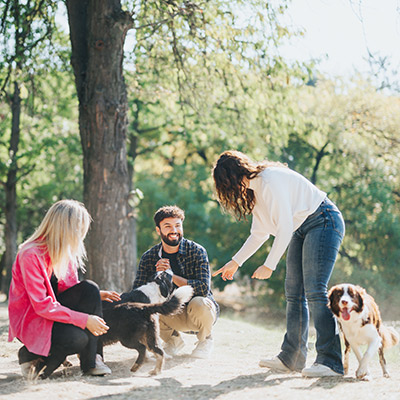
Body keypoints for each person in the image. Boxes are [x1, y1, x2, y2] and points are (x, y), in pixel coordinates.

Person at [212, 150, 345, 377]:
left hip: (323, 219)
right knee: (294, 293)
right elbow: (258, 234)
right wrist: (236, 262)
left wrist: (269, 265)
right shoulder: (255, 192)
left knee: (315, 290)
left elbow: (284, 226)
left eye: (225, 184)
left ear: (233, 176)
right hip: (300, 228)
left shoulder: (269, 180)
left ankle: (330, 362)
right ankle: (291, 358)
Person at [8, 199, 120, 379]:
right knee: (77, 339)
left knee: (90, 288)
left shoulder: (65, 252)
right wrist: (84, 320)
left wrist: (95, 297)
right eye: (80, 228)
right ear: (66, 228)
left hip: (53, 313)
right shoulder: (30, 254)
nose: (82, 234)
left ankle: (92, 361)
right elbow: (42, 305)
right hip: (33, 318)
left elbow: (69, 291)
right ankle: (30, 356)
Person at [133, 205, 219, 359]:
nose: (174, 230)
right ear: (158, 230)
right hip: (171, 315)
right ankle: (172, 341)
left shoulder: (197, 251)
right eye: (168, 226)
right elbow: (138, 294)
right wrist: (157, 276)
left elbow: (203, 288)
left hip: (197, 311)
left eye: (178, 225)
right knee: (149, 307)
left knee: (201, 302)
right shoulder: (149, 257)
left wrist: (170, 275)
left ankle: (205, 340)